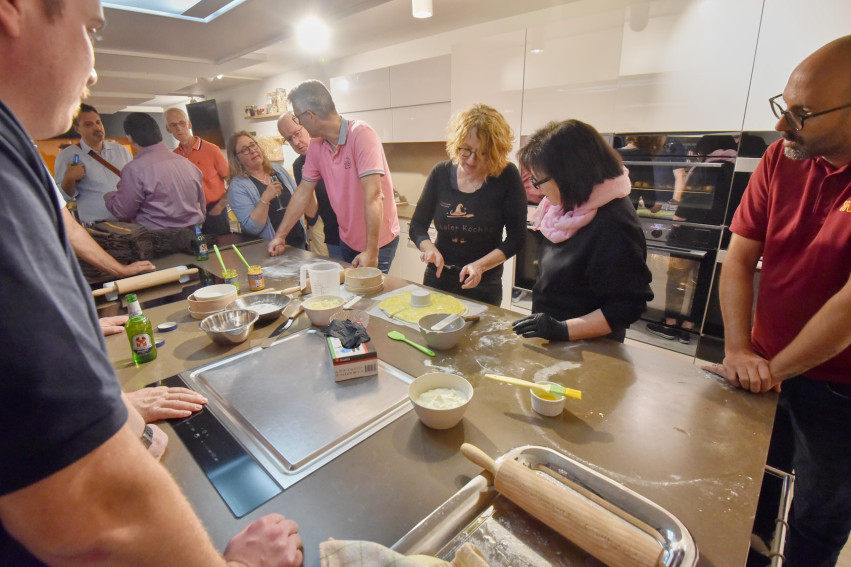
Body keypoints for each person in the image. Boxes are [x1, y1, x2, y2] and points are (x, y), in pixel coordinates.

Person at [0, 1, 302, 565]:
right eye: (90, 30)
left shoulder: (20, 153)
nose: (93, 71)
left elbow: (100, 214)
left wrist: (110, 396)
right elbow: (91, 504)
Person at [706, 35, 851, 567]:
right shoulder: (779, 159)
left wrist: (774, 369)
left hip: (842, 391)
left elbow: (847, 311)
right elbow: (740, 260)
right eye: (783, 108)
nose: (782, 126)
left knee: (817, 521)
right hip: (761, 366)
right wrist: (742, 351)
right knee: (745, 495)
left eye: (803, 114)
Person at [511, 119, 653, 342]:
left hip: (590, 348)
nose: (537, 190)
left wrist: (562, 329)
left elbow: (627, 306)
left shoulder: (614, 223)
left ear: (568, 174)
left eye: (538, 180)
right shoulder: (565, 207)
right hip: (552, 334)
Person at [267, 80, 400, 273]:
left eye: (297, 118)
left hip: (378, 241)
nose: (299, 122)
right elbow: (303, 192)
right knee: (350, 296)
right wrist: (280, 236)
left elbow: (374, 196)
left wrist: (371, 252)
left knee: (369, 297)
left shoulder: (361, 134)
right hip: (346, 238)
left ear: (310, 115)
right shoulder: (316, 145)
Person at [409, 104, 526, 306]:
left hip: (483, 283)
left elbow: (517, 238)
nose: (472, 161)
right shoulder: (441, 173)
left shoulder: (507, 176)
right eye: (466, 150)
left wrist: (480, 266)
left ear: (497, 152)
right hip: (438, 277)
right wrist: (429, 249)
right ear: (456, 144)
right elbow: (417, 226)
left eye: (483, 154)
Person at [645, 134, 737, 344]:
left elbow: (690, 201)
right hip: (718, 237)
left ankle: (670, 323)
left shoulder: (707, 167)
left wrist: (676, 224)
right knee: (703, 283)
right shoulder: (734, 170)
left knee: (678, 280)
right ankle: (689, 327)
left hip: (689, 234)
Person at [104, 112, 206, 230]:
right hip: (194, 235)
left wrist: (110, 196)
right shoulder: (188, 164)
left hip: (158, 241)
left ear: (130, 138)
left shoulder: (134, 170)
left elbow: (123, 212)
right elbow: (201, 206)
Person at [53, 103, 133, 222]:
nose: (97, 128)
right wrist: (69, 179)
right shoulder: (69, 155)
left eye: (98, 122)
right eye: (88, 124)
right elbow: (60, 198)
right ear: (77, 128)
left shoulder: (121, 151)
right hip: (99, 229)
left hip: (130, 224)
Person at [226, 131, 307, 248]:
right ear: (236, 158)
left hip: (298, 243)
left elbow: (298, 200)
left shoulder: (278, 170)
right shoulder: (237, 187)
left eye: (253, 145)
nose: (252, 151)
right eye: (245, 150)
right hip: (271, 250)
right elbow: (252, 228)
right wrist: (265, 199)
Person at [278, 112, 342, 259]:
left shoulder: (331, 150)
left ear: (306, 125)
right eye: (289, 139)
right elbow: (312, 212)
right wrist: (309, 182)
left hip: (351, 228)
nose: (296, 142)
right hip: (326, 229)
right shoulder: (299, 165)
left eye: (297, 134)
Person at [165, 107, 231, 235]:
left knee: (222, 251)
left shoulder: (212, 150)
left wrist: (221, 205)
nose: (179, 128)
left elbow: (234, 180)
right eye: (173, 125)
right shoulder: (173, 157)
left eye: (182, 123)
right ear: (168, 129)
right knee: (198, 252)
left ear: (189, 124)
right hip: (189, 215)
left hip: (214, 212)